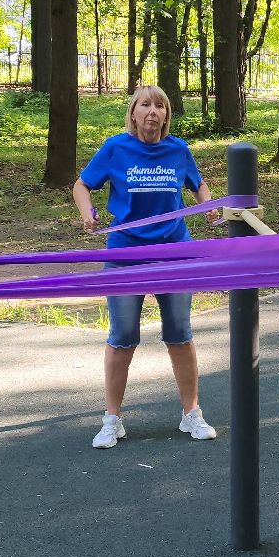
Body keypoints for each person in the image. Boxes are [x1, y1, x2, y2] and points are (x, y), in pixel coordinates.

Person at [71, 85, 219, 449]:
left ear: (167, 115)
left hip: (173, 253)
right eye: (145, 105)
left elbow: (199, 186)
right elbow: (82, 184)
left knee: (180, 334)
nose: (153, 111)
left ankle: (191, 414)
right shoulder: (116, 148)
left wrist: (208, 206)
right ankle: (112, 420)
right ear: (133, 113)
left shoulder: (178, 150)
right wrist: (86, 214)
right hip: (125, 255)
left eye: (160, 106)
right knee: (122, 338)